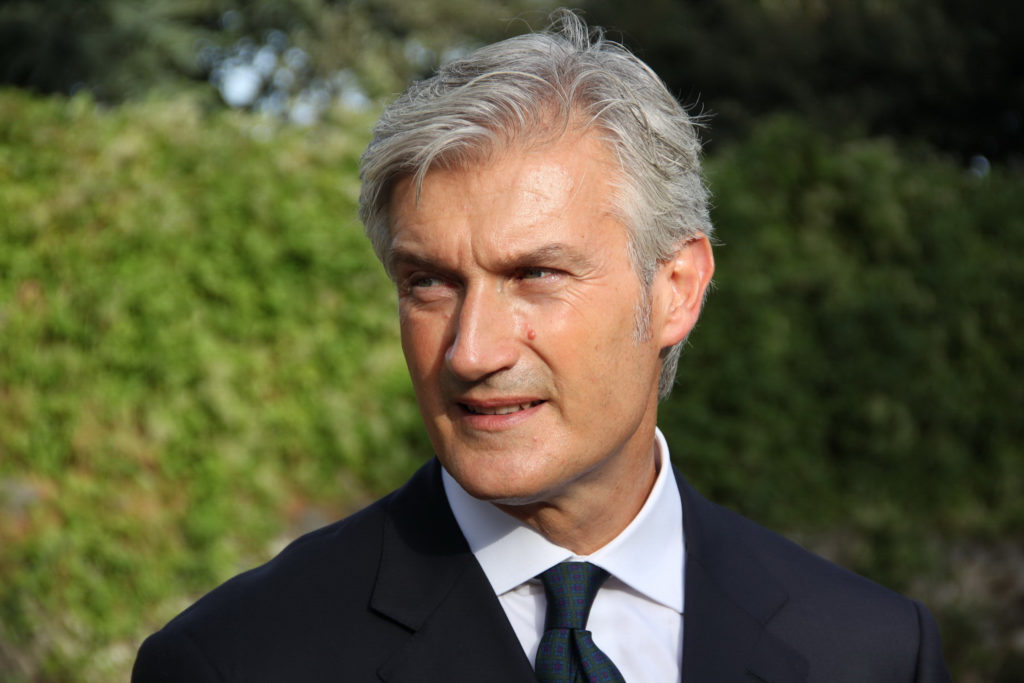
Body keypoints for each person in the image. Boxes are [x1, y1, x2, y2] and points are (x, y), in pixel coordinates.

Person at [132, 9, 951, 682]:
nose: (471, 351)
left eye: (535, 274)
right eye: (429, 282)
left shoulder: (871, 650)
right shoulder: (236, 660)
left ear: (676, 288)